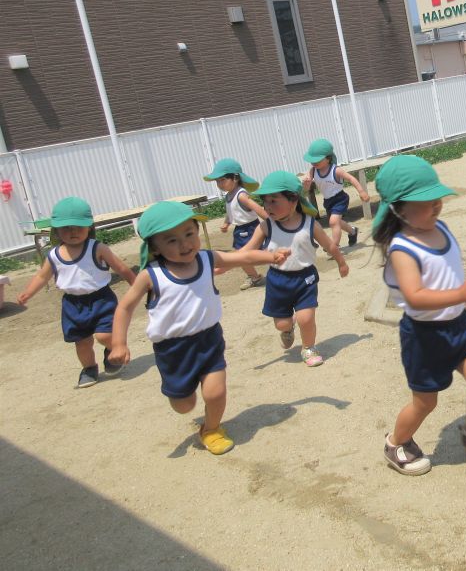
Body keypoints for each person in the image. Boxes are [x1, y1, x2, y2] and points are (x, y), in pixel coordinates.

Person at [108, 201, 290, 455]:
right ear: (154, 247)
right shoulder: (151, 275)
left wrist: (271, 256)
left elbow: (242, 257)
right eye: (171, 240)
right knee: (184, 405)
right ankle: (187, 402)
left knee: (215, 392)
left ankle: (211, 429)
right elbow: (124, 308)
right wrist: (118, 343)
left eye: (189, 234)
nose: (184, 244)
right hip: (173, 350)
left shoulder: (206, 259)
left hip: (209, 340)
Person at [372, 155, 466, 476]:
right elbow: (415, 297)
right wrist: (461, 294)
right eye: (424, 202)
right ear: (399, 209)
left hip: (458, 327)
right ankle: (396, 442)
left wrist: (458, 300)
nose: (435, 205)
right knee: (425, 403)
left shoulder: (442, 228)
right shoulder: (402, 248)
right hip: (425, 337)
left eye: (436, 197)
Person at [17, 196, 136, 389]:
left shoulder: (97, 248)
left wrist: (136, 284)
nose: (72, 232)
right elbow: (41, 276)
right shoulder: (54, 255)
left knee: (104, 336)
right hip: (73, 305)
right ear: (56, 231)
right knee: (81, 342)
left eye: (78, 227)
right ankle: (89, 369)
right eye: (66, 228)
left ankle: (114, 350)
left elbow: (120, 267)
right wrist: (28, 293)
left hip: (102, 300)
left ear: (89, 227)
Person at [242, 170, 350, 368]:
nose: (268, 206)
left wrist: (341, 262)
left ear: (293, 201)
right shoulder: (266, 226)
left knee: (306, 318)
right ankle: (287, 328)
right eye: (265, 201)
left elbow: (330, 245)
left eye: (275, 200)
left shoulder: (310, 224)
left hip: (305, 278)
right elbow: (246, 251)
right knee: (282, 324)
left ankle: (308, 347)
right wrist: (224, 263)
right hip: (277, 280)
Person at [204, 158, 269, 290]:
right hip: (239, 230)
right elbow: (231, 212)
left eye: (222, 180)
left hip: (251, 228)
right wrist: (226, 223)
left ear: (235, 178)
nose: (219, 184)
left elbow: (256, 208)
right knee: (243, 256)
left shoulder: (241, 195)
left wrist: (271, 220)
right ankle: (254, 277)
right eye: (217, 181)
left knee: (248, 255)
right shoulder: (229, 195)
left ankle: (281, 268)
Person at [301, 138, 370, 251]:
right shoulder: (313, 171)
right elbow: (307, 188)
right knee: (336, 222)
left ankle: (334, 246)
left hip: (340, 199)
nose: (314, 162)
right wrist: (306, 184)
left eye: (317, 160)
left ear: (328, 158)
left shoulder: (336, 170)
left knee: (333, 222)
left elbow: (351, 179)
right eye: (312, 160)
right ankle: (353, 231)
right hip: (328, 201)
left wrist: (362, 192)